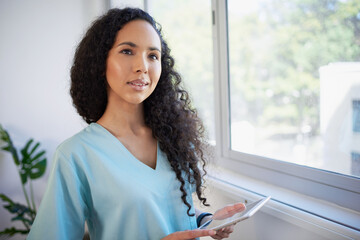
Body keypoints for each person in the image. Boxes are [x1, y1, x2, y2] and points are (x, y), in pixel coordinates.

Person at [27, 7, 244, 240]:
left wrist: (207, 222)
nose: (143, 66)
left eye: (153, 55)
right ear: (100, 63)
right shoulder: (76, 156)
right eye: (128, 51)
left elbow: (165, 211)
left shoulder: (173, 140)